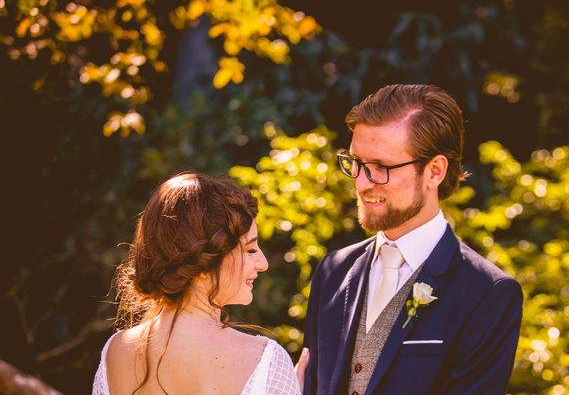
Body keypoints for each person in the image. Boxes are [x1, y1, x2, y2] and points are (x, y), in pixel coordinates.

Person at [302, 84, 523, 394]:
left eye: (381, 167)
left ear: (434, 172)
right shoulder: (334, 271)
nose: (362, 183)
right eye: (356, 163)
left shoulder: (488, 295)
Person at [92, 172, 307, 395]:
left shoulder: (115, 353)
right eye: (250, 250)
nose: (262, 263)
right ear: (205, 262)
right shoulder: (265, 361)